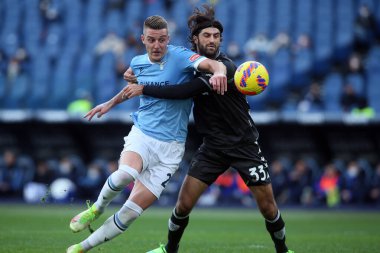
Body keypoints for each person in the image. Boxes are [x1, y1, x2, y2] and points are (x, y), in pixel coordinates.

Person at [123, 5, 293, 253]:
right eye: (207, 35)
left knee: (268, 207)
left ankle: (283, 250)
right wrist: (137, 73)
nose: (212, 40)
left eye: (216, 36)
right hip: (213, 147)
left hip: (243, 144)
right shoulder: (188, 65)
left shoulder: (224, 68)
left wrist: (143, 87)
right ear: (196, 39)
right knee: (183, 205)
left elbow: (182, 91)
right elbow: (162, 68)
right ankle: (169, 249)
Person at [66, 15, 227, 253]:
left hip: (171, 148)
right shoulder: (138, 62)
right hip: (143, 133)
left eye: (162, 40)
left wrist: (221, 72)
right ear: (143, 39)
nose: (157, 45)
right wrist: (109, 104)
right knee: (126, 174)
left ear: (168, 39)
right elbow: (131, 87)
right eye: (151, 40)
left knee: (131, 213)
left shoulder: (181, 56)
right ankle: (97, 209)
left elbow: (214, 65)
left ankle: (81, 248)